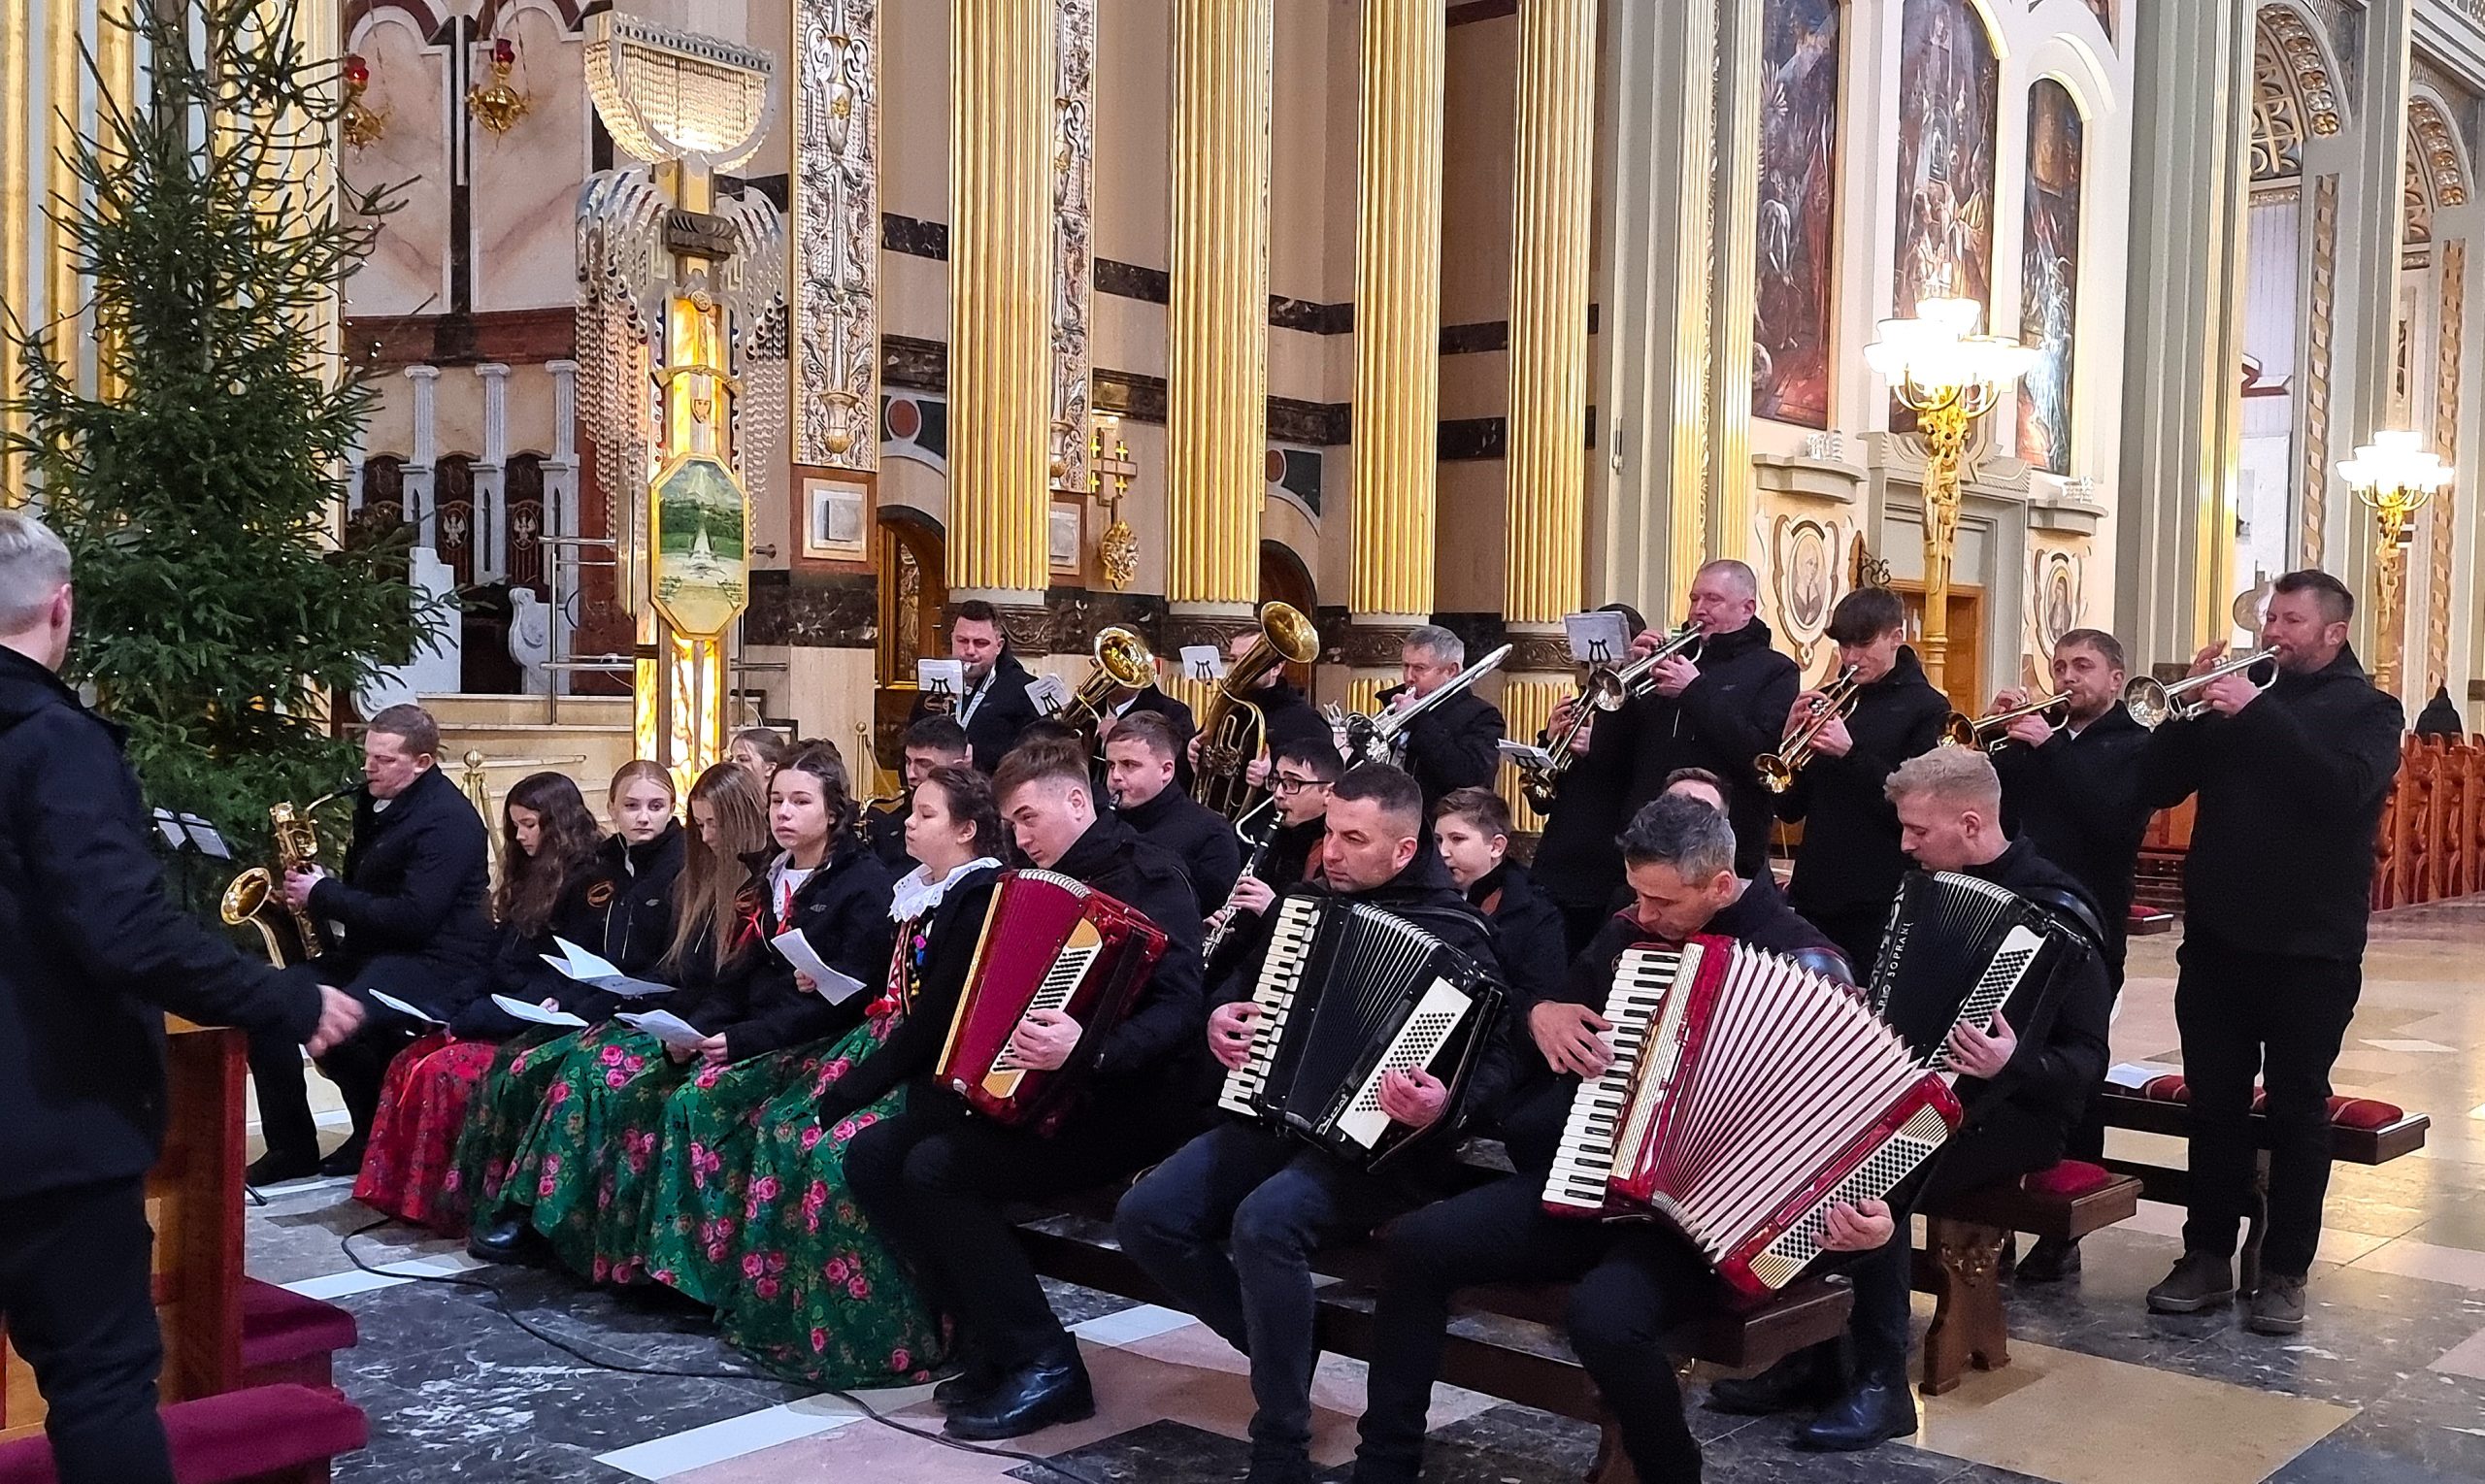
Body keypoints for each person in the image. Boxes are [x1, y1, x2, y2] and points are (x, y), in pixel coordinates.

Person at [1348, 798, 1879, 1484]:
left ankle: (1673, 1471)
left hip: (1706, 1227)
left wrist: (1868, 1220)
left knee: (1603, 1315)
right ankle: (1385, 1463)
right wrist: (1542, 1012)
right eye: (1638, 893)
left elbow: (1856, 1123)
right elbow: (1542, 1009)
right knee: (1420, 1242)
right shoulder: (1633, 930)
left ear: (1720, 885)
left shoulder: (1807, 963)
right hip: (1595, 1176)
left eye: (1663, 901)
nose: (1643, 914)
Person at [0, 511, 363, 1484]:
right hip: (48, 1125)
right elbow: (120, 927)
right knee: (99, 1382)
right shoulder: (51, 739)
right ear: (61, 606)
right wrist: (284, 997)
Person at [1119, 765, 1510, 1484]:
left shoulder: (1460, 936)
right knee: (1147, 1214)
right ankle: (1283, 1348)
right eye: (1330, 832)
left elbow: (1496, 1062)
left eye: (1354, 839)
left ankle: (1280, 1444)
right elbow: (1240, 985)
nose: (1331, 851)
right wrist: (1224, 1018)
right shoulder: (1303, 907)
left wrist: (1442, 1105)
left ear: (1403, 850)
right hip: (1274, 1117)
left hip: (1386, 1151)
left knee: (1265, 1223)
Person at [1727, 748, 2110, 1452]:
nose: (1904, 843)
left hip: (2017, 1115)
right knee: (1806, 1134)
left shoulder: (2061, 910)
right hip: (1927, 1098)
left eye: (1917, 830)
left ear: (1971, 823)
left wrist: (2015, 1060)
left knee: (1876, 1170)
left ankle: (1882, 1382)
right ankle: (1815, 1354)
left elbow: (2090, 1061)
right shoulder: (1925, 889)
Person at [847, 741, 1209, 1440]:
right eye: (1011, 823)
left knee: (938, 1169)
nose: (1018, 836)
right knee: (874, 1156)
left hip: (1125, 1103)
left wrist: (1090, 1049)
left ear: (1076, 799)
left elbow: (1180, 1008)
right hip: (1036, 1096)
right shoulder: (1025, 883)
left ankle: (1046, 1362)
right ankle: (990, 1340)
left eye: (1027, 818)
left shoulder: (1150, 875)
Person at [2138, 570, 2402, 1336]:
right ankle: (2205, 1253)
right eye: (2270, 618)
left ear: (2334, 631)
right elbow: (2158, 783)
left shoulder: (2370, 710)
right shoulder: (2241, 699)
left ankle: (2286, 1269)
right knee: (2213, 1104)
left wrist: (2256, 711)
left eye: (2289, 619)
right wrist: (2186, 710)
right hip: (2218, 942)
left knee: (2297, 1108)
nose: (2272, 631)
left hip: (2311, 948)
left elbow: (2339, 790)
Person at [710, 761, 1006, 1385]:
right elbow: (888, 982)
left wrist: (854, 1088)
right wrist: (824, 980)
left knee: (829, 1150)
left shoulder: (977, 897)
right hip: (880, 1039)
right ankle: (792, 1318)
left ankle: (883, 1334)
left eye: (925, 815)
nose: (908, 825)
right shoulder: (920, 888)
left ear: (967, 830)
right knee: (782, 1129)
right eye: (913, 812)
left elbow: (935, 1018)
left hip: (926, 1064)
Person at [491, 763, 771, 1280]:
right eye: (701, 824)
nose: (705, 835)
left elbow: (730, 982)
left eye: (713, 825)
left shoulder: (757, 884)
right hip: (673, 1013)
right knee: (542, 1060)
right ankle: (536, 1213)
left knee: (594, 1072)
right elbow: (690, 967)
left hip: (715, 1024)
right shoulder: (697, 877)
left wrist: (679, 1020)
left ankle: (560, 1224)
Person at [643, 746, 899, 1305]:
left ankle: (713, 1278)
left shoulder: (862, 883)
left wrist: (740, 1041)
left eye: (800, 802)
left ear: (833, 811)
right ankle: (674, 1268)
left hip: (823, 1039)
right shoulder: (771, 874)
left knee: (701, 1101)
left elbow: (848, 997)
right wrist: (692, 1031)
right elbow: (740, 974)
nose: (783, 813)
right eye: (777, 800)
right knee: (663, 1083)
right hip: (766, 1028)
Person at [249, 702, 495, 1182]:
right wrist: (315, 889)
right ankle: (290, 1147)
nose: (368, 767)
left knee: (340, 1017)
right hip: (375, 951)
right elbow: (373, 886)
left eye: (384, 759)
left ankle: (371, 1136)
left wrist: (324, 894)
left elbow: (414, 918)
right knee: (269, 1005)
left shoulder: (449, 821)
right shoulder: (378, 801)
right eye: (368, 755)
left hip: (435, 960)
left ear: (422, 763)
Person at [353, 771, 607, 1232]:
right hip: (505, 1003)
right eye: (516, 826)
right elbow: (495, 958)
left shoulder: (587, 881)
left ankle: (449, 1204)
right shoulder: (528, 874)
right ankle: (401, 1196)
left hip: (538, 1016)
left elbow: (562, 974)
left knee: (442, 1072)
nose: (521, 837)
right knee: (408, 1060)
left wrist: (479, 1015)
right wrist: (449, 1008)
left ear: (558, 824)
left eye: (530, 825)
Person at [459, 762, 686, 1255]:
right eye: (631, 806)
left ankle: (541, 1222)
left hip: (660, 1008)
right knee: (519, 1063)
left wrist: (613, 997)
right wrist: (567, 1000)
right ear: (612, 808)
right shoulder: (602, 865)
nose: (644, 817)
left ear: (673, 808)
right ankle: (494, 1201)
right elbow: (582, 950)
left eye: (656, 806)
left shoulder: (684, 864)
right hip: (604, 1000)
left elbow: (681, 961)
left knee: (574, 1077)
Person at [1986, 629, 2151, 1282]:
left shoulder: (2135, 743)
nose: (2067, 677)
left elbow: (2110, 819)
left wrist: (2050, 747)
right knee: (2000, 1070)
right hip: (2016, 921)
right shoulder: (2038, 738)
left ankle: (2066, 1229)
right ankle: (1997, 1212)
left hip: (2089, 930)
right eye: (2059, 665)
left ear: (2115, 679)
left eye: (2083, 666)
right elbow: (1997, 813)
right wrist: (1997, 741)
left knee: (2073, 1073)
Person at [1771, 585, 1949, 979]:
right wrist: (1787, 741)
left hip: (1879, 896)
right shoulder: (1832, 699)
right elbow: (1790, 807)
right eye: (1844, 645)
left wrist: (1849, 754)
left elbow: (1918, 806)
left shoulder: (1927, 708)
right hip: (1816, 890)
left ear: (1896, 638)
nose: (1851, 657)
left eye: (1864, 645)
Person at [1615, 560, 1804, 880]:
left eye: (1713, 599)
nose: (1698, 609)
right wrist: (1627, 674)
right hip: (1648, 841)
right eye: (1694, 599)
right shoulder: (1672, 658)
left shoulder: (1776, 670)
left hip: (1724, 849)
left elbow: (1760, 755)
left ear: (1747, 609)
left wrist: (1694, 691)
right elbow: (1618, 752)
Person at [1526, 602, 1647, 952]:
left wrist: (1596, 748)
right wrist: (1549, 740)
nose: (1600, 662)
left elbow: (1638, 774)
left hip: (1604, 864)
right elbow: (1541, 802)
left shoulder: (1645, 705)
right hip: (1557, 859)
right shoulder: (1583, 702)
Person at [1432, 786, 1566, 1009]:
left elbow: (1543, 998)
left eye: (1457, 839)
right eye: (1438, 840)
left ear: (1496, 846)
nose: (1443, 852)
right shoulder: (1428, 897)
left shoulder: (1537, 911)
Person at [1107, 709, 1243, 907]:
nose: (1115, 776)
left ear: (1166, 770)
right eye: (1111, 765)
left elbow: (1217, 908)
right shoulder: (1101, 818)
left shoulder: (1212, 832)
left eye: (1129, 765)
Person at [1188, 626, 1332, 801]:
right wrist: (1194, 755)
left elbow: (1322, 781)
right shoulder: (1228, 708)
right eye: (1233, 659)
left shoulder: (1305, 721)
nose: (1237, 668)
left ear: (1276, 668)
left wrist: (1272, 777)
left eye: (1249, 660)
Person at [1368, 625, 1503, 808]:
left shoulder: (1482, 716)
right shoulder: (1395, 704)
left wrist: (1418, 719)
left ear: (1451, 671)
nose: (1409, 677)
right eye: (1406, 666)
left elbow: (1470, 778)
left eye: (1419, 668)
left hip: (1435, 819)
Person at [908, 599, 1042, 773]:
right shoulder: (935, 685)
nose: (970, 651)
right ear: (952, 640)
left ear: (999, 646)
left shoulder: (1024, 690)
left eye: (980, 643)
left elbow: (1036, 757)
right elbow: (909, 743)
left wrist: (979, 758)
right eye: (962, 641)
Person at [867, 714, 972, 871]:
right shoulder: (894, 822)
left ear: (957, 767)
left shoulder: (977, 818)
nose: (911, 774)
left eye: (924, 764)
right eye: (908, 761)